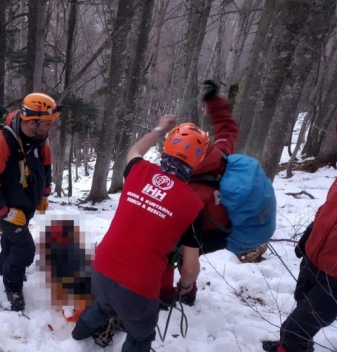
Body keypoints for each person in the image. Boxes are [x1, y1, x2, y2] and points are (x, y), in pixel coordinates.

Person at [72, 115, 208, 352]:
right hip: (139, 287)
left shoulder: (138, 171)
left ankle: (77, 337)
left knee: (103, 304)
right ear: (199, 160)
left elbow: (134, 150)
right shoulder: (194, 206)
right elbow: (189, 267)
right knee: (141, 335)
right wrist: (186, 284)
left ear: (166, 146)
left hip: (101, 268)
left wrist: (159, 127)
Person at [263, 107, 337, 352]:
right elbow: (331, 208)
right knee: (300, 312)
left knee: (294, 329)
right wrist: (311, 233)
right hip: (314, 261)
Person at [0, 92, 61, 312]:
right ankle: (12, 287)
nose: (51, 127)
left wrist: (44, 193)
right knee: (24, 248)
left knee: (13, 239)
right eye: (48, 123)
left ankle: (3, 266)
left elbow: (46, 165)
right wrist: (5, 213)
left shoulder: (39, 137)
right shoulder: (0, 142)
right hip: (6, 204)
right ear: (32, 122)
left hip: (26, 201)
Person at [160, 80, 242, 307]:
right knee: (184, 254)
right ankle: (187, 292)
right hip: (224, 229)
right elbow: (227, 128)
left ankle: (167, 295)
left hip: (205, 229)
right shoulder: (219, 154)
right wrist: (213, 101)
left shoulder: (181, 189)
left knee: (169, 255)